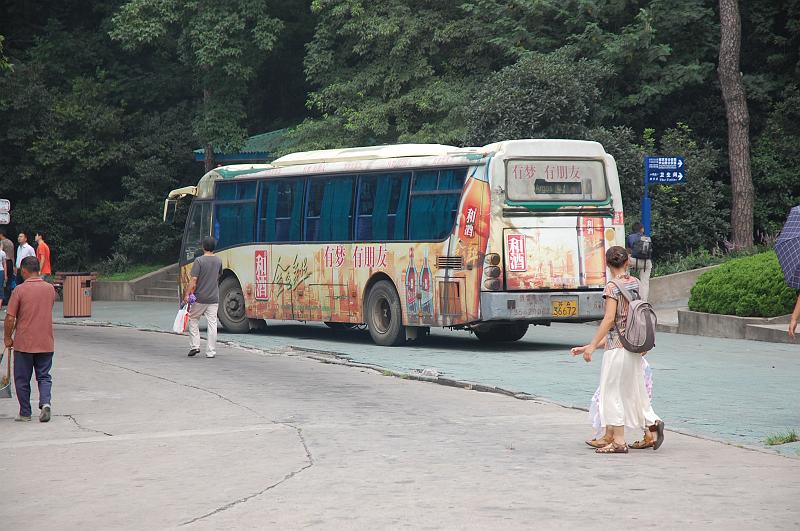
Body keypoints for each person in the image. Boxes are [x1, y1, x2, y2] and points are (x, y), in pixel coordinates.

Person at [571, 246, 664, 454]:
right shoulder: (635, 283)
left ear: (607, 264)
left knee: (611, 393)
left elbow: (610, 320)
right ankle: (652, 424)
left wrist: (592, 346)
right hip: (634, 345)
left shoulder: (612, 287)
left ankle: (619, 441)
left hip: (616, 347)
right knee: (634, 391)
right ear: (627, 262)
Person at [4, 256, 57, 422]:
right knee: (44, 376)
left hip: (24, 343)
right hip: (46, 341)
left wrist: (7, 338)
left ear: (24, 271)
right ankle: (46, 403)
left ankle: (25, 413)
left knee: (22, 379)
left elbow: (10, 317)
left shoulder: (19, 290)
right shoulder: (50, 289)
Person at [184, 236, 222, 358]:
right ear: (214, 247)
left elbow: (193, 280)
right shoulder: (218, 261)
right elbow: (218, 276)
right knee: (212, 324)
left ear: (203, 247)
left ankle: (195, 346)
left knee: (193, 319)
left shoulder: (199, 261)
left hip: (200, 297)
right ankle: (211, 351)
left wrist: (187, 294)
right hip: (214, 297)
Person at [626, 222, 652, 301]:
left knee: (625, 263)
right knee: (645, 282)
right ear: (642, 229)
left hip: (633, 261)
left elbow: (628, 251)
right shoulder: (646, 238)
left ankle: (627, 278)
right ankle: (644, 301)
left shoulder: (630, 237)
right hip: (646, 262)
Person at [0, 230, 14, 301]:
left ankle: (3, 299)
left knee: (2, 282)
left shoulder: (2, 242)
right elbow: (13, 255)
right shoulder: (10, 242)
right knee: (9, 281)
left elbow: (1, 253)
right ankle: (8, 298)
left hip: (4, 263)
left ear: (1, 234)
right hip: (10, 262)